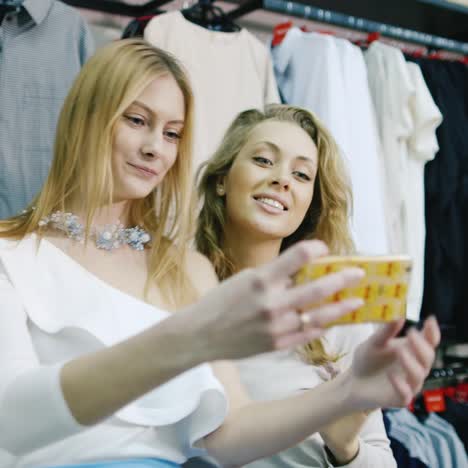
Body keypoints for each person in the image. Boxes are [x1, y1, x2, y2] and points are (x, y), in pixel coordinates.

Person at [0, 40, 439, 468]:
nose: (156, 147)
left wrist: (347, 395)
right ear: (86, 117)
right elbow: (10, 419)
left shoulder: (185, 272)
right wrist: (185, 340)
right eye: (136, 120)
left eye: (172, 133)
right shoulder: (11, 254)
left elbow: (226, 437)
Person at [196, 104, 439, 467]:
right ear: (222, 178)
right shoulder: (172, 290)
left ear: (309, 204)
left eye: (302, 174)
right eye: (263, 160)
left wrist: (345, 448)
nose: (283, 180)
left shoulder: (334, 310)